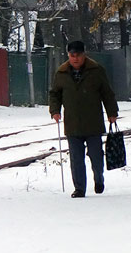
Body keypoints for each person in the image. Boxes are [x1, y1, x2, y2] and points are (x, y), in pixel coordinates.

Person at [49, 40, 119, 198]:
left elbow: (107, 93)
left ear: (83, 54)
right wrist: (55, 110)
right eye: (72, 55)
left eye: (78, 55)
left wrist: (112, 112)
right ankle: (79, 188)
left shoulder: (96, 70)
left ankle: (99, 178)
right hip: (72, 123)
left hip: (93, 122)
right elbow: (55, 94)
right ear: (68, 55)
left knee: (96, 156)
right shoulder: (61, 73)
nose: (75, 59)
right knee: (76, 159)